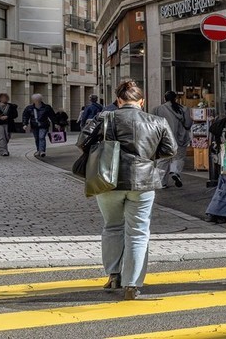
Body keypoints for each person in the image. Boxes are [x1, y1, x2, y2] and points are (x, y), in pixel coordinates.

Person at [77, 80, 177, 301]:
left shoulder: (105, 117)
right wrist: (147, 157)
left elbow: (82, 142)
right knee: (138, 232)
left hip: (107, 180)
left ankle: (114, 275)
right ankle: (132, 284)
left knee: (112, 226)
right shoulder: (157, 121)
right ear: (142, 101)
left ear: (119, 100)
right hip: (143, 182)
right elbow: (170, 149)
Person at [150, 91, 190, 188]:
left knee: (163, 160)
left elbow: (152, 124)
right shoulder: (184, 109)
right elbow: (188, 124)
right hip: (180, 138)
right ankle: (175, 171)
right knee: (179, 158)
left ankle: (161, 182)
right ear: (176, 98)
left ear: (164, 98)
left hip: (163, 138)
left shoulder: (157, 109)